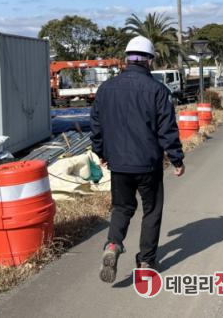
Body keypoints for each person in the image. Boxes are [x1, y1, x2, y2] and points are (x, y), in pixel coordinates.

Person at [90, 36, 185, 284]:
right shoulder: (158, 90)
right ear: (150, 61)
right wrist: (176, 159)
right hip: (148, 164)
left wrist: (101, 153)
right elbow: (167, 130)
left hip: (118, 164)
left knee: (122, 207)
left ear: (126, 59)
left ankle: (113, 244)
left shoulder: (106, 89)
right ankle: (146, 261)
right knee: (151, 210)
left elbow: (96, 126)